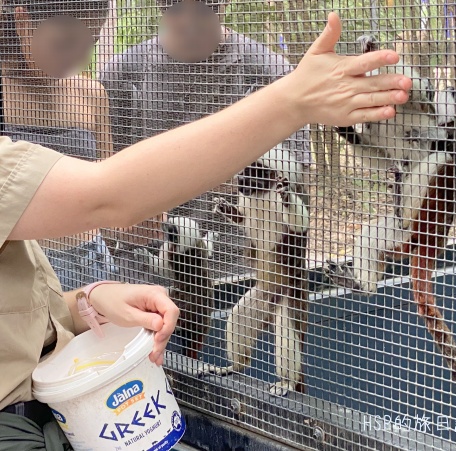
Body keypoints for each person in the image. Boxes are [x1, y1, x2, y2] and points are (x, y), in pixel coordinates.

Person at [0, 10, 413, 448]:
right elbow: (106, 195)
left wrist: (86, 300)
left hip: (63, 374)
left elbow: (20, 304)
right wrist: (292, 100)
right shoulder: (125, 74)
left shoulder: (253, 80)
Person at [98, 0, 313, 282]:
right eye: (174, 8)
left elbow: (295, 182)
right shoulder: (123, 74)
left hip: (237, 267)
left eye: (203, 9)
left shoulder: (269, 73)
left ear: (223, 4)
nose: (188, 22)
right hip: (147, 268)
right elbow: (105, 177)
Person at [0, 0, 120, 292]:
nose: (79, 57)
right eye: (66, 42)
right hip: (21, 272)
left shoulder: (91, 94)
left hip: (92, 261)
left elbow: (109, 191)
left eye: (90, 42)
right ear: (23, 23)